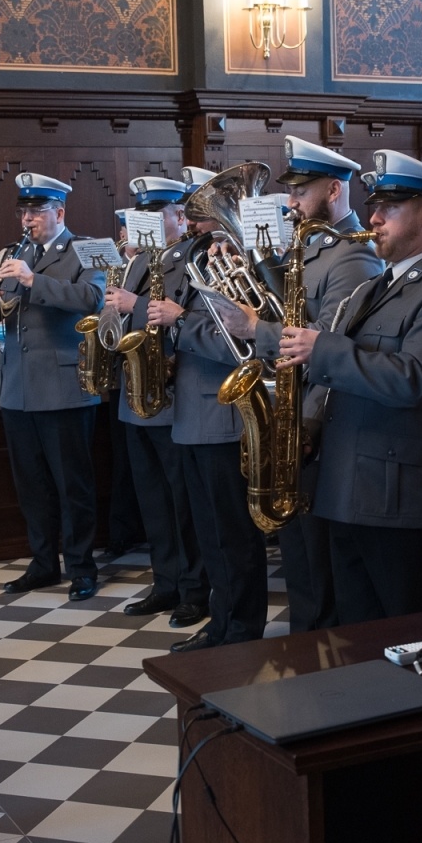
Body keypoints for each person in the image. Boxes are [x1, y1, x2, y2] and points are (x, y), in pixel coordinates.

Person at [277, 150, 422, 623]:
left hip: (402, 497)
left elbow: (414, 380)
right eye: (375, 206)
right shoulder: (373, 287)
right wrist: (307, 425)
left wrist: (320, 348)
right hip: (346, 487)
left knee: (408, 637)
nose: (374, 218)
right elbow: (341, 379)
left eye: (389, 207)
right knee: (356, 636)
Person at [221, 137, 384, 632]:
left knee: (316, 561)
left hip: (319, 417)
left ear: (334, 190)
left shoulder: (352, 257)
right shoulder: (310, 247)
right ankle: (306, 648)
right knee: (300, 556)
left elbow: (326, 342)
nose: (290, 203)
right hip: (296, 410)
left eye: (301, 191)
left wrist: (256, 328)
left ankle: (320, 659)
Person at [147, 168, 270, 652]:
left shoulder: (243, 265)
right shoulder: (201, 259)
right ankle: (222, 620)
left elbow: (239, 342)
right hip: (191, 415)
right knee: (211, 532)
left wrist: (179, 324)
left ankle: (240, 626)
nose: (198, 225)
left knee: (233, 535)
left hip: (222, 415)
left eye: (202, 215)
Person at [0, 173, 105, 601]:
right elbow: (9, 317)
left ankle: (82, 567)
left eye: (36, 211)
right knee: (31, 485)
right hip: (19, 389)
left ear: (59, 213)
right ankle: (44, 563)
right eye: (23, 211)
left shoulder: (84, 249)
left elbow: (93, 300)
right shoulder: (15, 253)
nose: (27, 219)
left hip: (65, 385)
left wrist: (33, 280)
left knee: (73, 485)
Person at [108, 175, 207, 629]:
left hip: (171, 394)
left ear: (178, 218)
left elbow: (183, 312)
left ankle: (193, 589)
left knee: (182, 501)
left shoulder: (189, 259)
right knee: (152, 498)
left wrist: (134, 300)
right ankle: (165, 581)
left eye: (154, 213)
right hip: (136, 392)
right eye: (140, 213)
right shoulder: (135, 261)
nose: (143, 221)